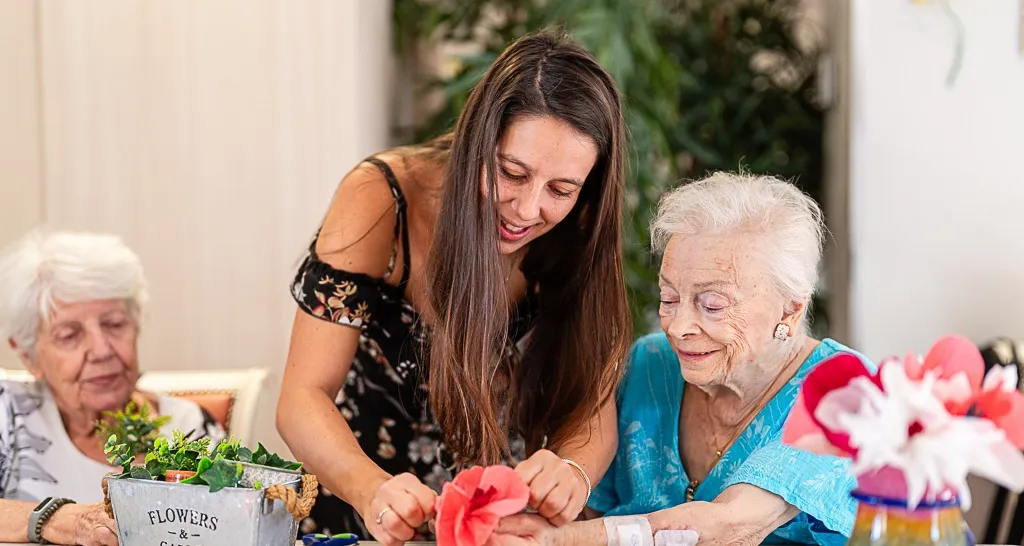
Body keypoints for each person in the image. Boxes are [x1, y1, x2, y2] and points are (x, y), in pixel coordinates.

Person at [276, 30, 630, 544]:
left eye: (560, 189)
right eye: (512, 173)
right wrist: (371, 489)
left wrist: (572, 470)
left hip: (501, 527)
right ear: (475, 143)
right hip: (361, 509)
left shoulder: (580, 225)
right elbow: (302, 398)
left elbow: (593, 403)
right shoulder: (381, 199)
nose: (529, 210)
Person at [489, 173, 868, 546]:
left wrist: (558, 541)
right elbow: (590, 508)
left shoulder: (844, 390)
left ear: (789, 311)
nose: (678, 327)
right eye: (669, 298)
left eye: (713, 305)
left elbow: (727, 528)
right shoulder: (649, 364)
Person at [0, 230, 224, 545]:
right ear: (28, 356)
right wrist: (58, 519)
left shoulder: (188, 427)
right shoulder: (7, 413)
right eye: (69, 334)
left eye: (114, 324)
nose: (102, 349)